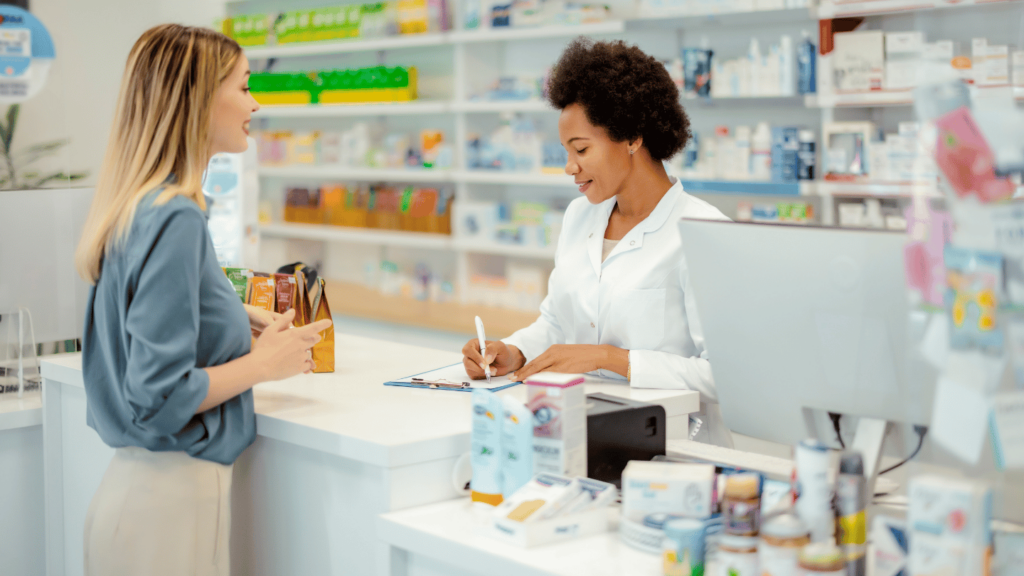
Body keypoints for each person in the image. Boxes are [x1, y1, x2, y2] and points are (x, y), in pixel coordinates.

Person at [73, 24, 332, 576]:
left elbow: (138, 312)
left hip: (144, 503)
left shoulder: (141, 204)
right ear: (196, 98)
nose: (255, 104)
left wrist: (235, 317)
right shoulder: (177, 218)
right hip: (165, 510)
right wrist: (262, 364)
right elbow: (160, 395)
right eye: (242, 87)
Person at [461, 38, 733, 447]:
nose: (570, 167)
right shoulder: (579, 217)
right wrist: (515, 352)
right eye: (566, 151)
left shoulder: (703, 231)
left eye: (581, 149)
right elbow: (556, 322)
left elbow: (726, 375)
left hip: (675, 450)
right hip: (579, 433)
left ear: (633, 137)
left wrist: (612, 359)